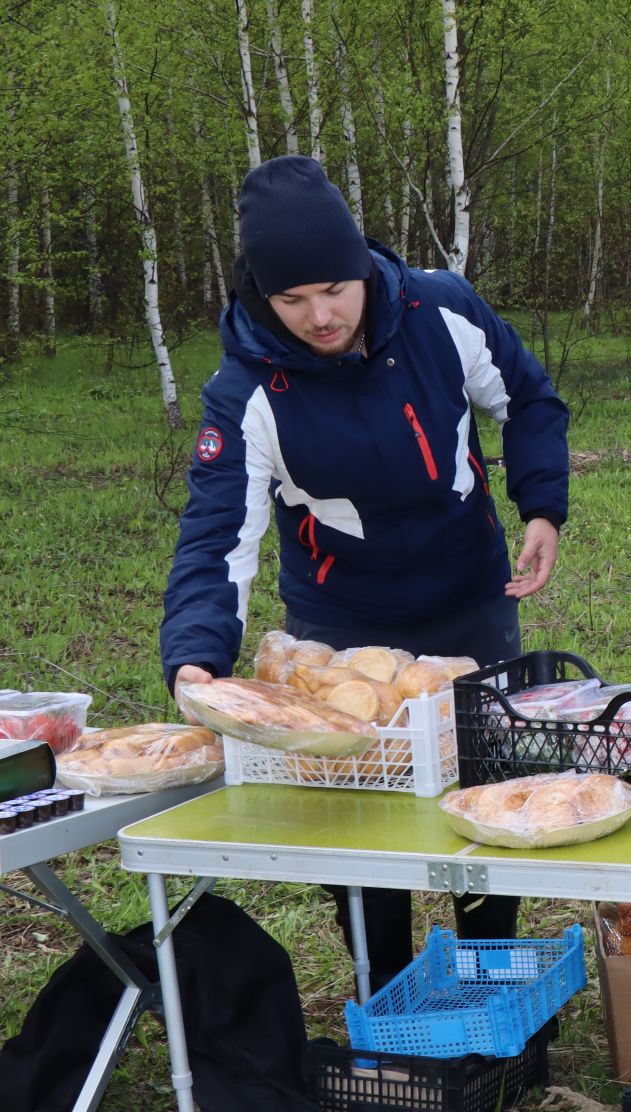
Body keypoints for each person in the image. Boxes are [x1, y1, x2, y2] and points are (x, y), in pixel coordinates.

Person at [160, 155, 570, 993]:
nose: (320, 315)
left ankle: (494, 979)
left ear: (361, 265)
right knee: (358, 815)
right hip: (341, 622)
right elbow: (217, 534)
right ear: (259, 296)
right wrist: (197, 652)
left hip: (468, 596)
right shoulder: (245, 391)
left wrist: (541, 505)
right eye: (292, 299)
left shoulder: (441, 310)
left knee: (486, 786)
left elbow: (527, 397)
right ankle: (384, 990)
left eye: (334, 289)